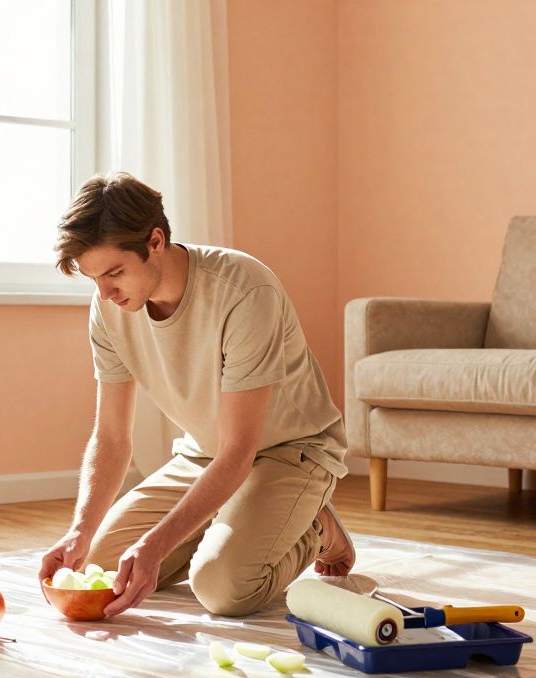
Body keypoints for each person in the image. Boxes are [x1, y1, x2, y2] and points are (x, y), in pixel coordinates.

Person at [37, 172, 355, 618]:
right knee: (101, 567)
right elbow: (110, 437)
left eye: (114, 274)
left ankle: (315, 528)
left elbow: (241, 449)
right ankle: (239, 519)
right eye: (94, 280)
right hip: (206, 455)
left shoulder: (246, 290)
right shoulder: (109, 309)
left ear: (154, 242)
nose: (106, 294)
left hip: (291, 451)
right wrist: (78, 532)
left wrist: (158, 541)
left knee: (222, 586)